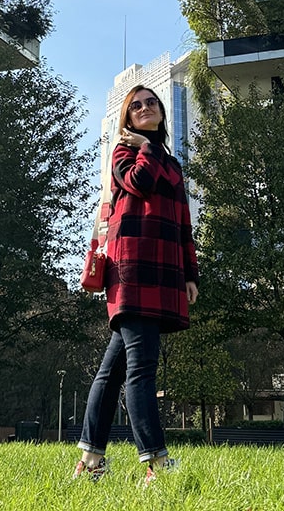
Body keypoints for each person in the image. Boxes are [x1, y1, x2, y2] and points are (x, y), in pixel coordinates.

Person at [73, 86, 199, 484]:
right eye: (136, 105)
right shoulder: (125, 153)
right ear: (128, 119)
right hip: (131, 269)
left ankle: (90, 462)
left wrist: (191, 274)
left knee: (111, 373)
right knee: (141, 371)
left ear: (162, 111)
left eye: (151, 103)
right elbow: (139, 183)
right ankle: (158, 465)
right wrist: (145, 146)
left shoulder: (175, 165)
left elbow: (183, 223)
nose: (145, 108)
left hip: (163, 271)